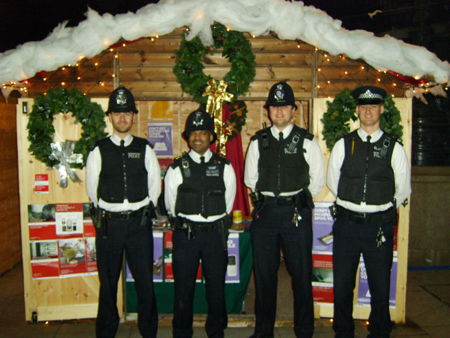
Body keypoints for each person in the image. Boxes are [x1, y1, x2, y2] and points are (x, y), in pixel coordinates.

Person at [327, 86, 411, 338]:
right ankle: (343, 331)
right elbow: (333, 182)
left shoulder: (393, 147)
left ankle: (379, 331)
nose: (367, 111)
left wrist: (378, 207)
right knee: (342, 283)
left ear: (381, 109)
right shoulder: (344, 144)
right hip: (346, 225)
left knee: (379, 284)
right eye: (363, 107)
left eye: (373, 106)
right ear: (357, 110)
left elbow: (403, 189)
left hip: (378, 227)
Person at [244, 81, 325, 338]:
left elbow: (318, 180)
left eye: (284, 106)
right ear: (268, 111)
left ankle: (304, 330)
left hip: (295, 213)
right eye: (274, 107)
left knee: (301, 274)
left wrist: (295, 200)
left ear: (293, 109)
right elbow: (250, 179)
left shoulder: (306, 141)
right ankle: (263, 331)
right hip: (266, 213)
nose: (279, 111)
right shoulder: (258, 142)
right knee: (265, 275)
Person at [86, 87, 161, 338]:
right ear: (110, 116)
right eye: (117, 113)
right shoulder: (98, 150)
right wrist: (106, 212)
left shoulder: (144, 148)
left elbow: (155, 185)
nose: (122, 118)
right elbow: (91, 188)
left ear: (133, 116)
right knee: (107, 285)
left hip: (139, 225)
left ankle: (149, 332)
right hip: (109, 226)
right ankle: (106, 333)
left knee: (145, 283)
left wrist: (143, 209)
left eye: (127, 113)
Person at [164, 108, 237, 338]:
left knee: (216, 289)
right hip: (186, 236)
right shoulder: (176, 168)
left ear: (211, 137)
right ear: (187, 137)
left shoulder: (225, 167)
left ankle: (216, 332)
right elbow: (170, 204)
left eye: (203, 132)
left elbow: (228, 202)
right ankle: (182, 333)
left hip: (215, 236)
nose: (198, 137)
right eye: (193, 133)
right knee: (183, 290)